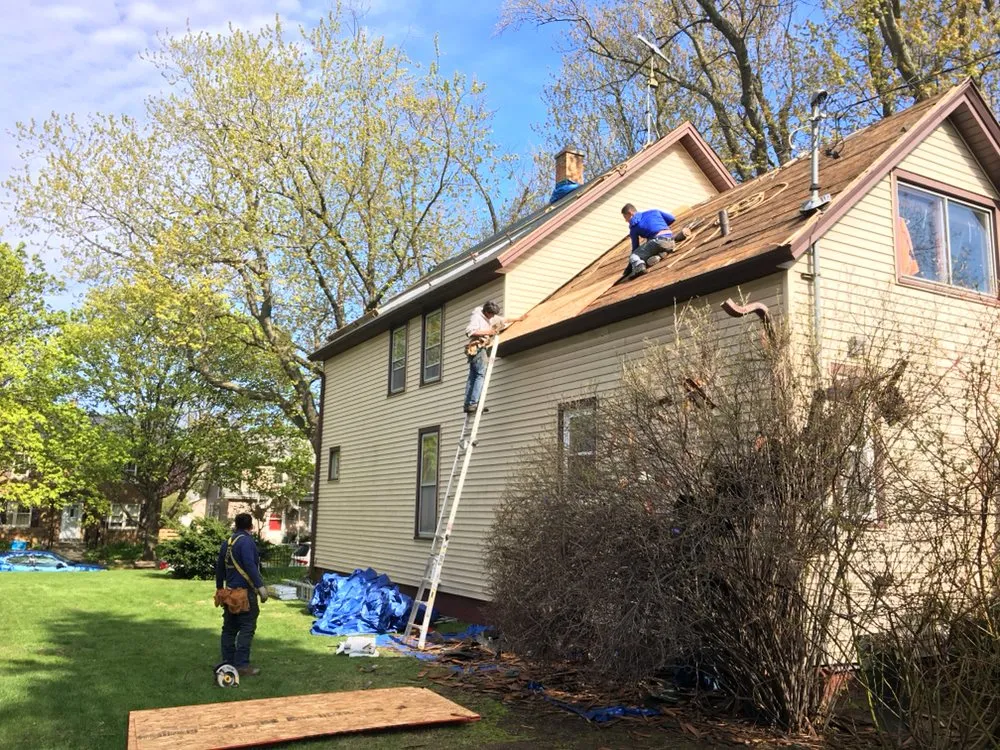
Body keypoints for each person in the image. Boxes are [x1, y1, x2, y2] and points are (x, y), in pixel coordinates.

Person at [214, 513, 269, 677]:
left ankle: (227, 663)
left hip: (229, 593)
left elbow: (219, 568)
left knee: (229, 630)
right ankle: (242, 666)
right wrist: (260, 586)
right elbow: (250, 566)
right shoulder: (247, 542)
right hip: (245, 594)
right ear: (250, 527)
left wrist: (219, 589)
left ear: (235, 525)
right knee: (246, 628)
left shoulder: (228, 542)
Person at [464, 301, 523, 413]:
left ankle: (469, 404)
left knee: (473, 376)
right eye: (491, 314)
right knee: (480, 375)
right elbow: (469, 331)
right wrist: (489, 331)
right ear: (486, 312)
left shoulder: (490, 317)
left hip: (479, 348)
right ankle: (473, 403)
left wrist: (518, 319)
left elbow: (503, 320)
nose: (493, 316)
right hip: (478, 347)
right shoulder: (477, 317)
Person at [621, 203, 676, 278]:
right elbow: (672, 218)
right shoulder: (654, 211)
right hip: (671, 241)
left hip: (657, 242)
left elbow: (635, 248)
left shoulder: (634, 225)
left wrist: (630, 266)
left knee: (634, 256)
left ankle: (639, 268)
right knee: (650, 247)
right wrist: (660, 226)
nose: (626, 220)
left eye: (625, 217)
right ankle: (660, 254)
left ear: (631, 213)